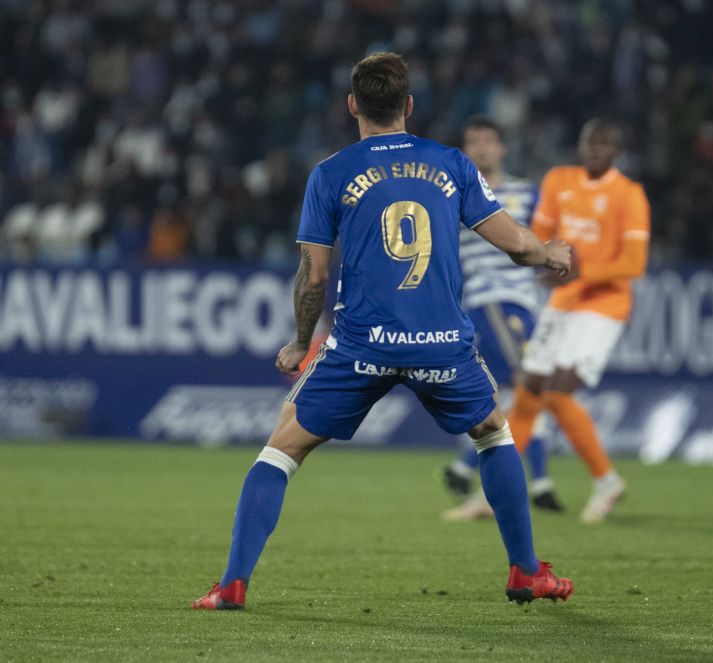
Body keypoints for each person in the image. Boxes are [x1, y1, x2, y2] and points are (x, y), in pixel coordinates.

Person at [191, 52, 573, 610]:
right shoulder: (451, 165)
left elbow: (314, 274)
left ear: (353, 106)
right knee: (493, 431)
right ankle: (524, 571)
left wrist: (301, 341)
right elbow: (517, 246)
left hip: (361, 343)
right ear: (409, 106)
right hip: (441, 341)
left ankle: (232, 584)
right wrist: (551, 253)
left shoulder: (331, 173)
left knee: (282, 449)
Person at [506, 118, 651, 524]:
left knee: (556, 392)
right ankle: (494, 490)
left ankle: (606, 481)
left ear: (616, 151)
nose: (595, 150)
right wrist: (542, 258)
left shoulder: (629, 194)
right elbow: (541, 233)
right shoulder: (559, 180)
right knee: (528, 391)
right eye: (590, 142)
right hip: (563, 301)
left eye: (605, 144)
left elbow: (633, 262)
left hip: (604, 305)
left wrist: (581, 270)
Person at [441, 115, 562, 518]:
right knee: (530, 385)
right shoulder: (453, 194)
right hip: (489, 300)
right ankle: (534, 482)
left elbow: (546, 236)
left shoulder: (528, 194)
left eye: (488, 141)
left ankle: (471, 470)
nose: (481, 149)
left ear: (502, 148)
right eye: (473, 142)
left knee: (506, 395)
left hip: (524, 303)